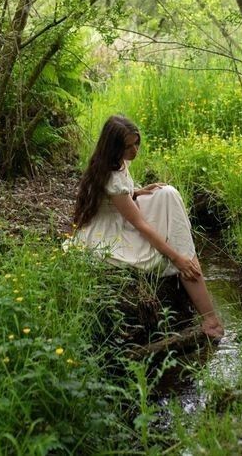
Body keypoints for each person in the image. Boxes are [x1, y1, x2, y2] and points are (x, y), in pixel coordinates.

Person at [66, 114, 224, 339]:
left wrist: (137, 191)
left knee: (167, 193)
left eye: (136, 143)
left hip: (120, 217)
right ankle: (209, 317)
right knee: (176, 250)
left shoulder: (114, 163)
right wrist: (176, 257)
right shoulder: (111, 176)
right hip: (111, 231)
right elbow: (139, 224)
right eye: (128, 146)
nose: (135, 151)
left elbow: (118, 198)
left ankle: (207, 311)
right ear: (114, 148)